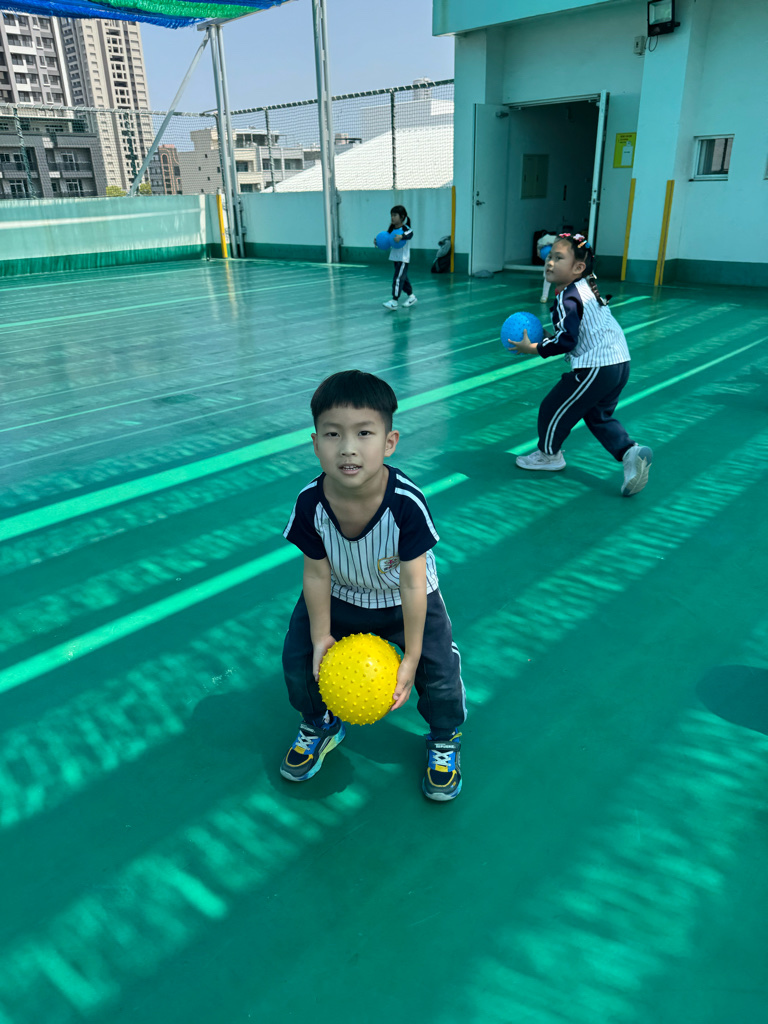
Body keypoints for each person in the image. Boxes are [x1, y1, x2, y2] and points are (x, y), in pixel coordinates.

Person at [280, 370, 465, 800]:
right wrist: (322, 635)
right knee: (300, 656)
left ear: (389, 442)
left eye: (364, 433)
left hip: (405, 600)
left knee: (438, 668)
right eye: (333, 434)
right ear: (315, 443)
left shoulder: (406, 504)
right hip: (341, 594)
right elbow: (316, 573)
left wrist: (412, 656)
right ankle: (320, 723)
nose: (348, 447)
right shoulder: (310, 503)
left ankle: (444, 737)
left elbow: (413, 584)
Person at [512, 232, 653, 497]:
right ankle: (630, 453)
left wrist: (533, 348)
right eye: (549, 257)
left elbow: (567, 341)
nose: (549, 262)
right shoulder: (585, 288)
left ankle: (549, 455)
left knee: (552, 407)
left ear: (578, 267)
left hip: (596, 367)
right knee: (596, 415)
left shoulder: (567, 297)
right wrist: (547, 337)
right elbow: (573, 332)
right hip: (619, 363)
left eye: (558, 258)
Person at [379, 205, 417, 310]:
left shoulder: (405, 228)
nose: (392, 218)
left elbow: (410, 233)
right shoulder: (391, 229)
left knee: (398, 279)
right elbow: (387, 239)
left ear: (402, 217)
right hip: (395, 258)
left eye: (395, 215)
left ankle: (394, 301)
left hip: (403, 259)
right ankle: (411, 297)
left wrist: (401, 236)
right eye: (391, 215)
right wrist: (378, 242)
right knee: (403, 279)